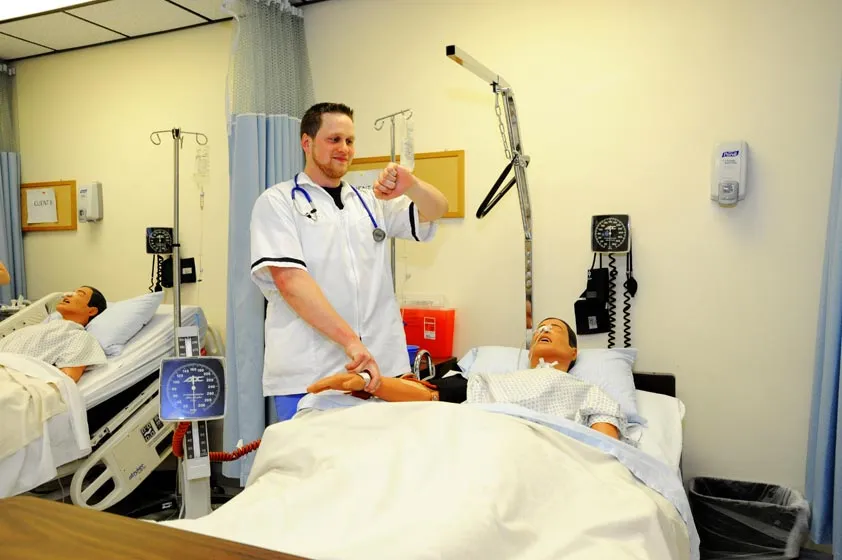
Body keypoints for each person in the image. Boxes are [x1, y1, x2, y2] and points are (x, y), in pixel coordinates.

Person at [250, 102, 449, 421]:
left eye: (350, 141)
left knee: (382, 466)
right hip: (308, 373)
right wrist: (352, 344)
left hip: (382, 371)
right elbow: (291, 282)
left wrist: (410, 184)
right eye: (334, 139)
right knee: (312, 468)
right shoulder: (278, 202)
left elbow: (438, 209)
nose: (344, 148)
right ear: (307, 143)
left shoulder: (372, 202)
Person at [308, 317, 626, 441]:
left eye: (552, 330)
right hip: (474, 438)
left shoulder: (588, 391)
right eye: (539, 330)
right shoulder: (487, 381)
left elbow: (606, 449)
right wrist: (368, 382)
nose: (542, 331)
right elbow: (431, 396)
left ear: (573, 351)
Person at [0, 286, 108, 382]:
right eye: (72, 291)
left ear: (92, 311)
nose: (68, 294)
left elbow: (65, 380)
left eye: (79, 294)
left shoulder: (80, 337)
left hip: (9, 376)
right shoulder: (43, 327)